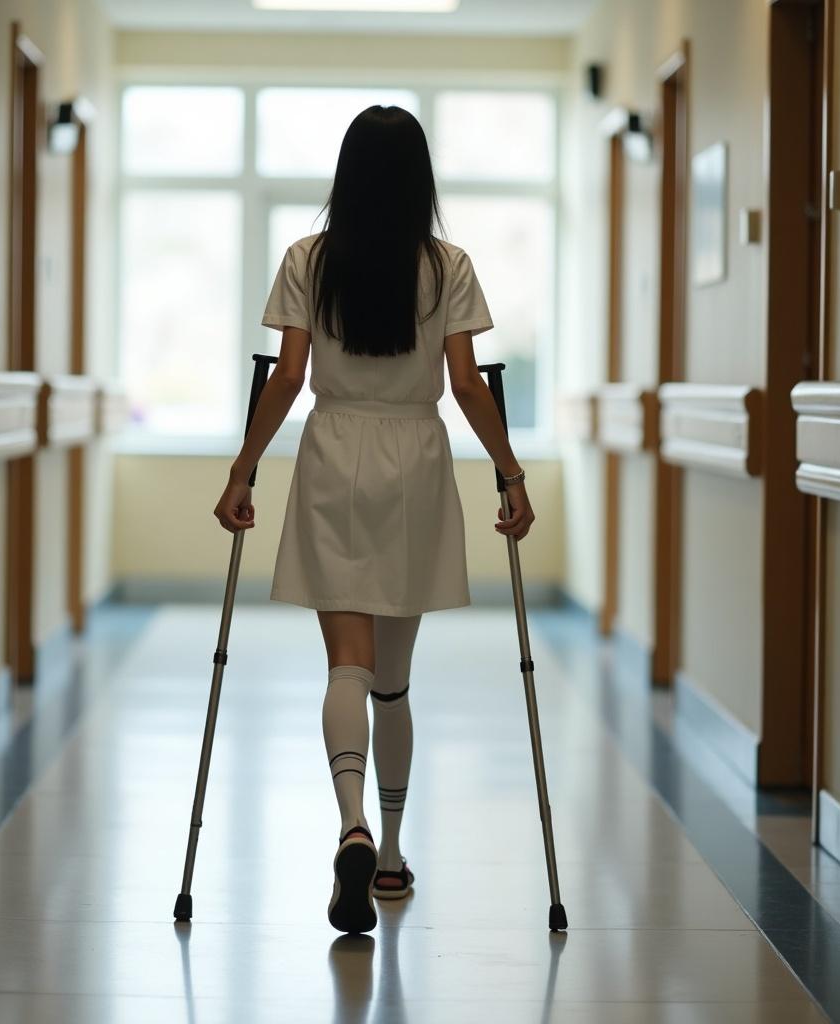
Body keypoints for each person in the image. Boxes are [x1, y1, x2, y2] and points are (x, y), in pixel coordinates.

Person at [213, 105, 534, 934]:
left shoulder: (306, 260)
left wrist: (242, 469)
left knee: (344, 667)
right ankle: (390, 856)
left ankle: (350, 820)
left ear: (345, 176)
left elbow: (286, 379)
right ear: (420, 179)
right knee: (393, 682)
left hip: (332, 453)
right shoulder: (448, 265)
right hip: (417, 461)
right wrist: (510, 472)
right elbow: (467, 386)